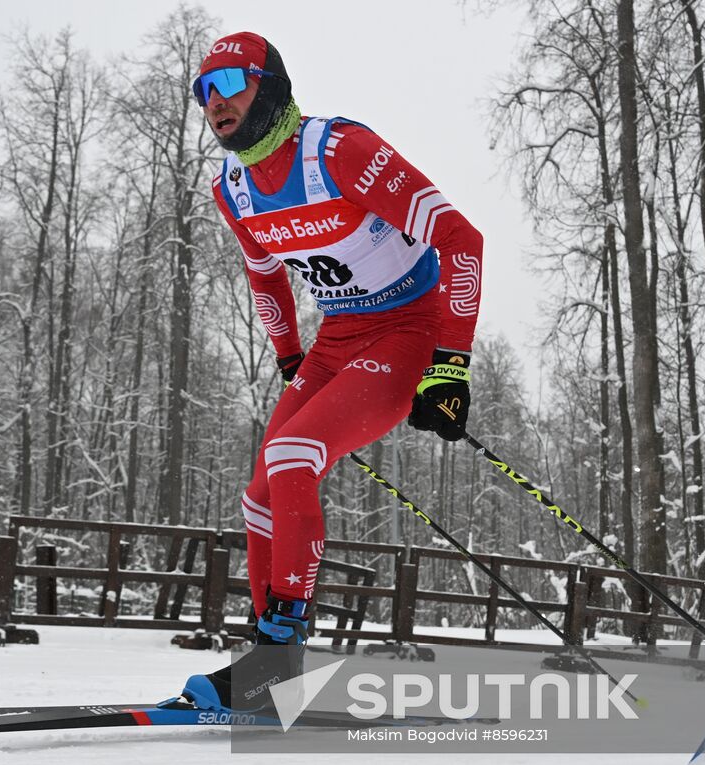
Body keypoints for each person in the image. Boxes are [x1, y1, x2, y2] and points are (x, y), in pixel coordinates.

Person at [180, 32, 483, 711]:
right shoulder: (233, 188)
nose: (214, 102)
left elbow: (462, 240)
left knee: (291, 455)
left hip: (410, 328)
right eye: (203, 91)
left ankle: (281, 660)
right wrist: (290, 354)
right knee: (259, 493)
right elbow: (264, 277)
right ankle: (266, 667)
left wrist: (449, 367)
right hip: (337, 337)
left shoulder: (338, 152)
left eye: (229, 83)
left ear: (271, 84)